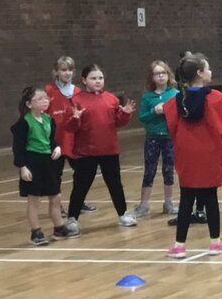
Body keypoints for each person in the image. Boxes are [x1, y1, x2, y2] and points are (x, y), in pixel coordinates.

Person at [164, 54, 222, 259]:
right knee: (210, 197)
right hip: (208, 150)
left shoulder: (177, 99)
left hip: (186, 151)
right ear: (200, 73)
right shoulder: (216, 98)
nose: (210, 72)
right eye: (208, 68)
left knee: (186, 198)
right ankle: (215, 242)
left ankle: (179, 245)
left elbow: (171, 125)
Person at [63, 65, 137, 231]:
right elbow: (70, 128)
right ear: (84, 80)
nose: (97, 81)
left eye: (100, 78)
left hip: (109, 150)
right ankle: (72, 218)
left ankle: (123, 213)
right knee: (81, 185)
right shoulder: (76, 100)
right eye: (93, 78)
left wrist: (125, 113)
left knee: (115, 184)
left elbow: (118, 122)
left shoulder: (111, 99)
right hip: (86, 152)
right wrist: (75, 118)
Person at [12, 85, 68, 246]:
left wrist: (56, 147)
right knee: (34, 199)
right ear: (29, 104)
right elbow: (18, 147)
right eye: (40, 99)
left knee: (55, 195)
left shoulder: (48, 119)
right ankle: (36, 231)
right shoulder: (23, 123)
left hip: (48, 161)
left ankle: (59, 227)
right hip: (32, 161)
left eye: (46, 98)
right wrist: (22, 166)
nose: (45, 101)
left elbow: (51, 139)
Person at [46, 56, 93, 214]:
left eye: (70, 70)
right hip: (55, 141)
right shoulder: (48, 91)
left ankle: (79, 201)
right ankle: (56, 205)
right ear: (56, 72)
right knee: (54, 176)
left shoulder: (79, 92)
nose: (67, 73)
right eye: (63, 70)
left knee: (82, 172)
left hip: (74, 141)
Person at [135, 60, 178, 219]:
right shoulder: (147, 97)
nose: (160, 76)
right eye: (157, 73)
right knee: (149, 170)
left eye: (163, 73)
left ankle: (168, 202)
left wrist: (168, 111)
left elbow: (178, 115)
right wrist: (155, 111)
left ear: (168, 75)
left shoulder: (174, 94)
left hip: (169, 138)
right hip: (153, 138)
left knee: (169, 170)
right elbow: (143, 117)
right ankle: (144, 204)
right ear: (152, 77)